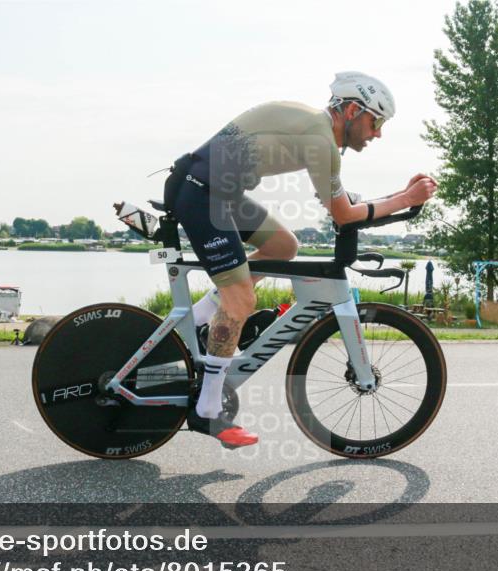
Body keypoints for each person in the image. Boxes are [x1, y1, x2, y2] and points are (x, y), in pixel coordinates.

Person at [163, 71, 438, 448]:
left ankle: (199, 320)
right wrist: (404, 200)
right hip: (203, 196)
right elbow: (344, 214)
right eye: (376, 122)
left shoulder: (315, 131)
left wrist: (399, 196)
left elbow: (344, 205)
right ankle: (207, 408)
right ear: (354, 111)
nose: (377, 134)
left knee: (283, 247)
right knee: (241, 299)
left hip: (215, 192)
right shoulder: (319, 140)